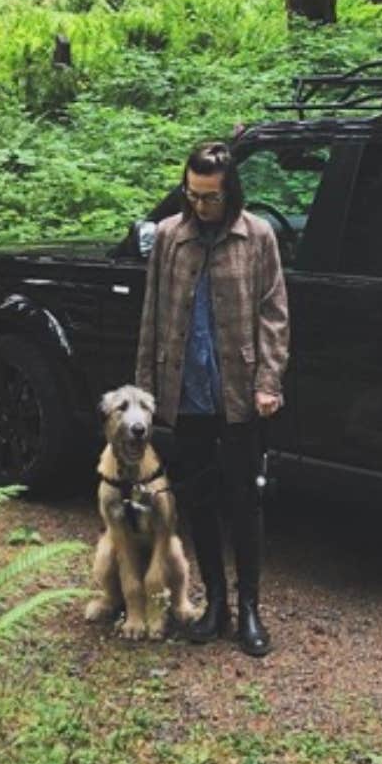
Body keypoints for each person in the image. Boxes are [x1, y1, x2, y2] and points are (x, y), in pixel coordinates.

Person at [135, 141, 290, 654]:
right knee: (198, 499)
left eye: (210, 198)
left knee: (244, 501)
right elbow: (152, 320)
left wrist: (268, 381)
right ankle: (215, 603)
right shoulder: (169, 239)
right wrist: (146, 395)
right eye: (192, 195)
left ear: (231, 194)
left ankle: (249, 609)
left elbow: (274, 313)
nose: (200, 207)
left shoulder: (257, 237)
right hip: (186, 393)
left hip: (240, 393)